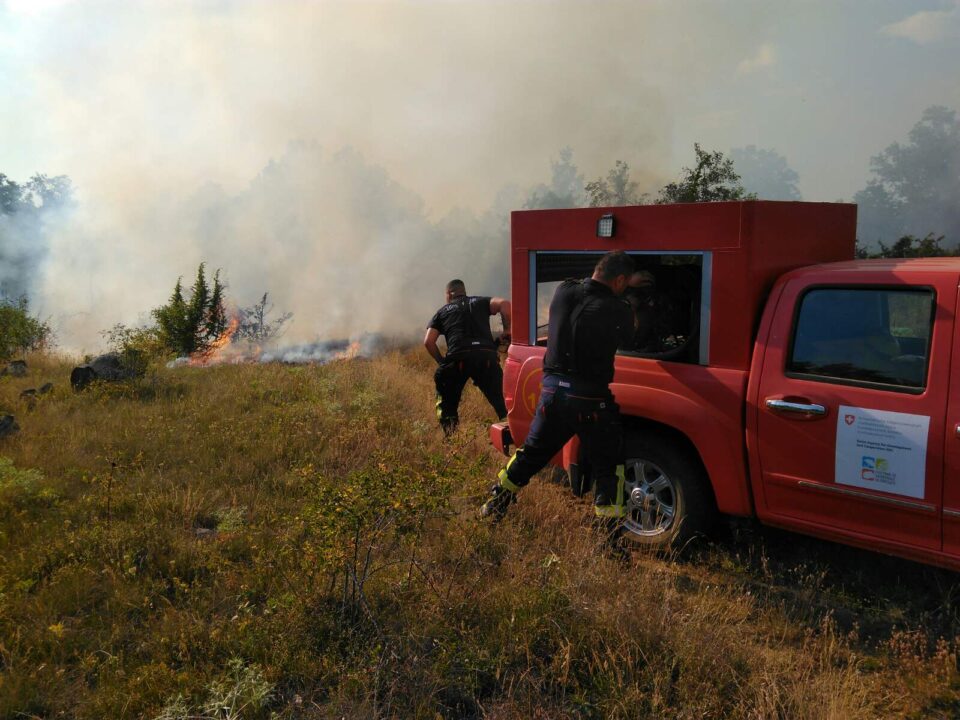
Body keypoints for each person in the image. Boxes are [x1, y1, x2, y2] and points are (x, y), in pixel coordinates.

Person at [481, 251, 636, 537]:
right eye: (625, 283)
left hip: (552, 395)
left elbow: (585, 289)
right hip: (590, 402)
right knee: (609, 468)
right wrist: (633, 298)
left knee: (530, 455)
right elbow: (631, 337)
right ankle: (610, 539)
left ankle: (496, 502)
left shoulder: (564, 290)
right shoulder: (618, 308)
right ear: (621, 280)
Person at [424, 279, 511, 435]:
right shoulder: (481, 301)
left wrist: (442, 363)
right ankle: (512, 433)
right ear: (463, 291)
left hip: (457, 358)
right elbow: (505, 303)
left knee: (447, 403)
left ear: (449, 294)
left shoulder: (442, 312)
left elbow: (428, 342)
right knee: (502, 400)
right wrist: (507, 330)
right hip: (486, 357)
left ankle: (451, 437)